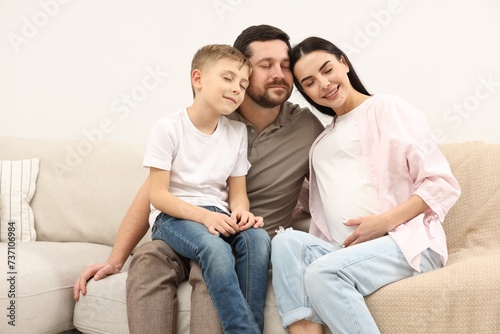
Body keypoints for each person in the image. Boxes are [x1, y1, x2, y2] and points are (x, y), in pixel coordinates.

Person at [73, 25, 325, 334]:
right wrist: (114, 260)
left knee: (217, 262)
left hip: (239, 234)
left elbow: (332, 180)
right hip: (186, 225)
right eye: (266, 65)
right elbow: (153, 192)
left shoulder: (306, 126)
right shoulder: (213, 116)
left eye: (286, 66)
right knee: (149, 257)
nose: (279, 74)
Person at [270, 36, 462, 334]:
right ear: (304, 92)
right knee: (284, 242)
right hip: (342, 250)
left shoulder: (387, 108)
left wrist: (382, 222)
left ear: (344, 63)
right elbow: (314, 202)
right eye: (309, 82)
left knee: (323, 273)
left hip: (404, 243)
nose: (323, 84)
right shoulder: (321, 141)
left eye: (327, 69)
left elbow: (441, 183)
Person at [145, 43, 270, 334]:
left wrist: (242, 215)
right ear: (198, 79)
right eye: (227, 78)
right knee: (215, 249)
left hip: (219, 216)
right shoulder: (168, 128)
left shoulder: (237, 132)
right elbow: (158, 195)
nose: (237, 89)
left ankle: (250, 327)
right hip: (174, 218)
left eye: (242, 83)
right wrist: (204, 217)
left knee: (258, 240)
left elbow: (238, 193)